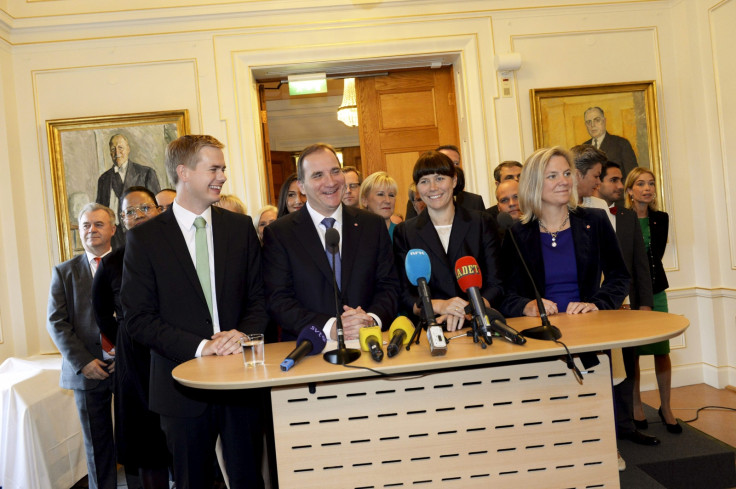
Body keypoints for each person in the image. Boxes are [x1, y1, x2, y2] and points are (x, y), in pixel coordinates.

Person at [122, 135, 268, 488]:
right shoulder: (145, 239)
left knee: (249, 479)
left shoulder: (239, 227)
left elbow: (259, 300)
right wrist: (203, 346)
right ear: (184, 172)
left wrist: (242, 334)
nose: (222, 176)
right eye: (213, 168)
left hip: (241, 381)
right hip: (180, 388)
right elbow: (138, 319)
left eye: (223, 168)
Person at [263, 143, 400, 341]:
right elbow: (278, 300)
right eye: (318, 175)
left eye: (335, 171)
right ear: (301, 185)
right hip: (309, 349)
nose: (330, 182)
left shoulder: (372, 225)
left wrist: (370, 319)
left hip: (369, 343)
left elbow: (390, 286)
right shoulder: (279, 234)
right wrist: (331, 327)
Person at [574, 154, 660, 455]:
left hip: (616, 303)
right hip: (579, 308)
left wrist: (640, 303)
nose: (605, 183)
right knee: (595, 370)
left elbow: (634, 264)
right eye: (602, 177)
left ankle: (624, 426)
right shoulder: (570, 211)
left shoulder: (614, 215)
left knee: (623, 365)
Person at [91, 187, 170, 489]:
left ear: (158, 210)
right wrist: (126, 337)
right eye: (130, 212)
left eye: (144, 209)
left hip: (174, 351)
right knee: (144, 440)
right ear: (122, 220)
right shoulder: (112, 263)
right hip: (133, 359)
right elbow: (101, 314)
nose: (138, 217)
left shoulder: (176, 255)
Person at [499, 146, 629, 320]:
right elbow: (505, 293)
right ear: (534, 183)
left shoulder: (595, 220)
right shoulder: (517, 233)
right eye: (553, 176)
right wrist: (525, 306)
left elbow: (619, 277)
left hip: (590, 331)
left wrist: (596, 305)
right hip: (541, 335)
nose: (564, 181)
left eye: (567, 174)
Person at [47, 203, 119, 489]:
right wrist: (84, 362)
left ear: (113, 229)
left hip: (127, 366)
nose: (91, 230)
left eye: (98, 224)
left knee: (136, 440)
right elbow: (56, 322)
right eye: (86, 225)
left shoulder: (131, 264)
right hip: (86, 370)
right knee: (96, 444)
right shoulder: (64, 271)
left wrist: (124, 355)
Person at [393, 150, 502, 331]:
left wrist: (466, 310)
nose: (433, 187)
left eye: (440, 178)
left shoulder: (481, 223)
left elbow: (497, 284)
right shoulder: (405, 232)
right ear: (417, 188)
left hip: (479, 325)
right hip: (432, 328)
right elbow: (404, 294)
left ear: (454, 180)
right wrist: (440, 306)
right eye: (424, 181)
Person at [625, 167, 682, 434]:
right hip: (630, 292)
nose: (647, 188)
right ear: (629, 190)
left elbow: (654, 256)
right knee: (633, 353)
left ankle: (666, 407)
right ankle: (636, 405)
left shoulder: (661, 218)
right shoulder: (621, 218)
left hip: (656, 289)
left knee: (662, 350)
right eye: (640, 184)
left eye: (651, 183)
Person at [96, 134, 161, 249]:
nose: (117, 152)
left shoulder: (146, 173)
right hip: (114, 236)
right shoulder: (103, 179)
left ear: (128, 149)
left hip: (142, 231)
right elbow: (100, 209)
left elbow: (156, 206)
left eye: (120, 147)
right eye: (113, 149)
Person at [405, 145, 485, 219]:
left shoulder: (475, 203)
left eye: (455, 163)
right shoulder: (419, 199)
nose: (451, 167)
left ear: (454, 179)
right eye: (445, 162)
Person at [582, 107, 638, 179]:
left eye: (597, 120)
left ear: (604, 121)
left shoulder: (621, 144)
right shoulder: (583, 148)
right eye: (589, 122)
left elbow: (633, 177)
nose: (592, 125)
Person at [360, 171, 399, 240]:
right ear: (364, 200)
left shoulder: (403, 234)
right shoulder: (356, 234)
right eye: (380, 194)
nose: (388, 201)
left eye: (391, 195)